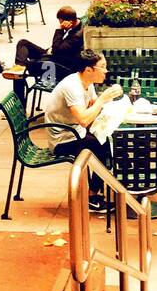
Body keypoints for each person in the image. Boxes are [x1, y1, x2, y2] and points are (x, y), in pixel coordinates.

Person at [42, 49, 124, 211]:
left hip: (75, 131)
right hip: (63, 140)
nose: (106, 71)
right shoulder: (72, 87)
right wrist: (102, 99)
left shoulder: (87, 83)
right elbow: (84, 119)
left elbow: (94, 106)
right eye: (103, 67)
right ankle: (92, 196)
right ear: (89, 70)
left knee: (107, 140)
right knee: (103, 147)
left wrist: (116, 106)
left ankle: (99, 190)